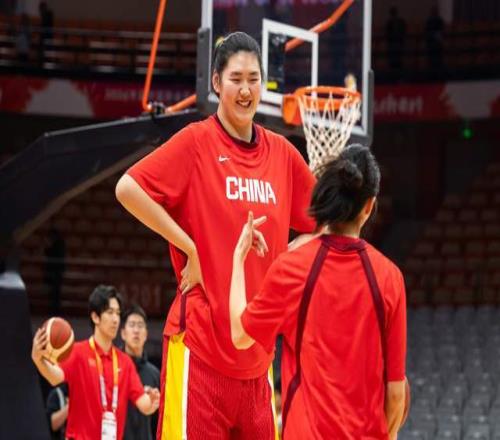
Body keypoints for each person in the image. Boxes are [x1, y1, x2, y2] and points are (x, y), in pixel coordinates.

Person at [115, 31, 316, 439]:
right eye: (236, 79)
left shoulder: (282, 154)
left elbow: (329, 222)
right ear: (216, 82)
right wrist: (189, 247)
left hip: (258, 360)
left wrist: (292, 256)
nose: (245, 90)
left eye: (254, 79)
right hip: (201, 349)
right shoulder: (197, 142)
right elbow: (127, 188)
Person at [229, 144, 407, 439]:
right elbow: (397, 395)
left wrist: (237, 258)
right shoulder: (390, 278)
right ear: (369, 206)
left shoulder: (292, 267)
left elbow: (239, 334)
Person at [31, 285, 160, 440]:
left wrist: (152, 401)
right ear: (95, 317)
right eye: (110, 312)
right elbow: (54, 377)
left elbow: (144, 405)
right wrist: (38, 359)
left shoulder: (125, 362)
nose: (115, 319)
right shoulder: (78, 352)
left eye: (118, 313)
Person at [121, 305, 160, 440]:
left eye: (140, 325)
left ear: (146, 334)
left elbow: (158, 422)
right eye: (132, 325)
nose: (136, 330)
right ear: (123, 333)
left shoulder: (154, 374)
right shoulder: (113, 367)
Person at [44, 226, 65, 315]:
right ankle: (53, 310)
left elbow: (52, 254)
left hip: (57, 271)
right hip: (51, 271)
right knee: (52, 293)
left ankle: (55, 311)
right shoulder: (53, 243)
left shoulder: (59, 244)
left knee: (56, 293)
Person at [385, 6, 406, 71]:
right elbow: (387, 33)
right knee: (393, 58)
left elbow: (403, 30)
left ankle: (398, 70)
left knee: (398, 57)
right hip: (392, 43)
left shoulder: (400, 22)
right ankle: (393, 70)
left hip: (398, 42)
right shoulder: (389, 23)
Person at [425, 6, 445, 71]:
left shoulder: (439, 21)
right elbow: (427, 32)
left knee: (436, 59)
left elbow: (441, 32)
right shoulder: (429, 21)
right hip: (432, 43)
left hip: (436, 43)